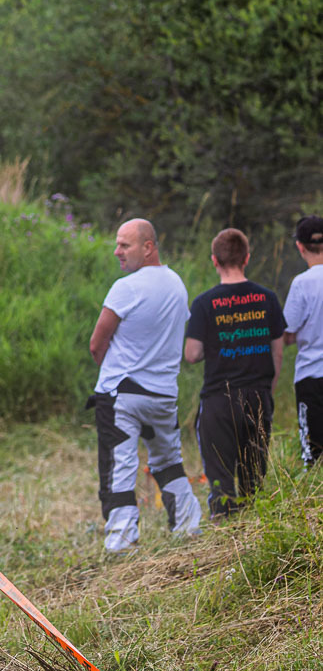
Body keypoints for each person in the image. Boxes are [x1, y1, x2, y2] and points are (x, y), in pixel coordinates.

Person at [88, 218, 202, 551]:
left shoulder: (126, 287)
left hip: (121, 394)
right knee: (168, 461)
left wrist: (113, 371)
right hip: (163, 394)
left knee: (119, 466)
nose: (117, 251)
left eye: (125, 245)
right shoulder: (176, 284)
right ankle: (188, 526)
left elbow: (97, 343)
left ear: (148, 247)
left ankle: (122, 540)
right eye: (117, 244)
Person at [184, 229, 284, 517]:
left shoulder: (204, 303)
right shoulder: (267, 298)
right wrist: (268, 391)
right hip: (258, 396)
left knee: (221, 481)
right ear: (246, 258)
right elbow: (277, 351)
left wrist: (219, 344)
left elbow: (192, 354)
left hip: (219, 400)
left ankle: (225, 530)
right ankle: (256, 531)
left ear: (214, 260)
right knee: (254, 480)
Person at [283, 215, 323, 467]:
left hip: (311, 375)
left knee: (313, 453)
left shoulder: (301, 284)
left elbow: (286, 334)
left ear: (300, 246)